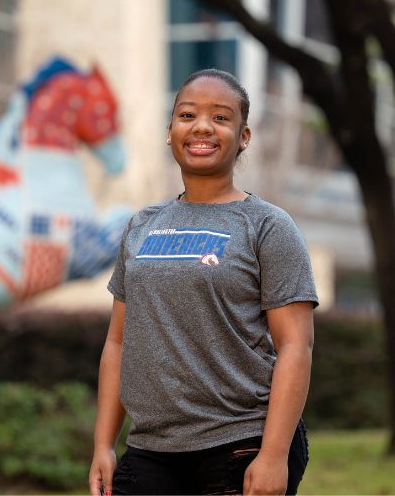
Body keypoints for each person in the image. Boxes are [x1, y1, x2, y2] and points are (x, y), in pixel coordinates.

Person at [88, 69, 318, 495]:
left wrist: (272, 456)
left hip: (239, 440)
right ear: (171, 130)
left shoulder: (267, 226)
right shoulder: (142, 226)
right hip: (151, 447)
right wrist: (104, 444)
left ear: (243, 136)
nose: (202, 127)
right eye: (188, 114)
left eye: (221, 117)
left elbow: (295, 347)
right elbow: (119, 343)